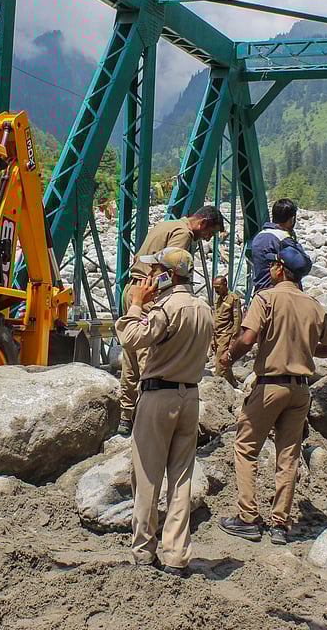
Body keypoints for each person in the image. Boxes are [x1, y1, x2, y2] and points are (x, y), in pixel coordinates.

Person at [217, 241, 327, 545]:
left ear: (280, 268)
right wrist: (305, 349)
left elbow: (248, 338)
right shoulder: (313, 304)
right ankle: (279, 524)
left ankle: (247, 518)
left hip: (270, 385)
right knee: (289, 456)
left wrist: (228, 357)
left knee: (246, 447)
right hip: (300, 390)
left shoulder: (266, 298)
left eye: (273, 264)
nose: (270, 268)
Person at [114, 247, 213, 576]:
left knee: (147, 476)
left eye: (155, 269)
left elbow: (130, 338)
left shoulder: (166, 308)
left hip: (159, 397)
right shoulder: (203, 308)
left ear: (168, 275)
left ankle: (144, 550)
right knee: (181, 479)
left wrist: (136, 304)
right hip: (190, 398)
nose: (149, 276)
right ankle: (176, 555)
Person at [117, 205, 226, 436]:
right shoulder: (184, 233)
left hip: (133, 288)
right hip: (149, 291)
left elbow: (140, 257)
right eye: (210, 233)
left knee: (131, 357)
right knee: (150, 356)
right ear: (203, 222)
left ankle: (125, 415)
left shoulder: (165, 224)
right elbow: (172, 269)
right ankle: (145, 415)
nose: (207, 238)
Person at [250, 198, 300, 293]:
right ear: (292, 219)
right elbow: (300, 266)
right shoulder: (284, 238)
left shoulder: (259, 236)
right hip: (279, 294)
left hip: (260, 293)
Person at [209, 276, 243, 387]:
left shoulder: (233, 299)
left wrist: (233, 339)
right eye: (214, 288)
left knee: (220, 365)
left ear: (225, 285)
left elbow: (237, 320)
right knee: (225, 364)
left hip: (226, 335)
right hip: (217, 335)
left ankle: (220, 389)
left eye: (218, 287)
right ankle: (233, 384)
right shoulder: (218, 299)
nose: (216, 290)